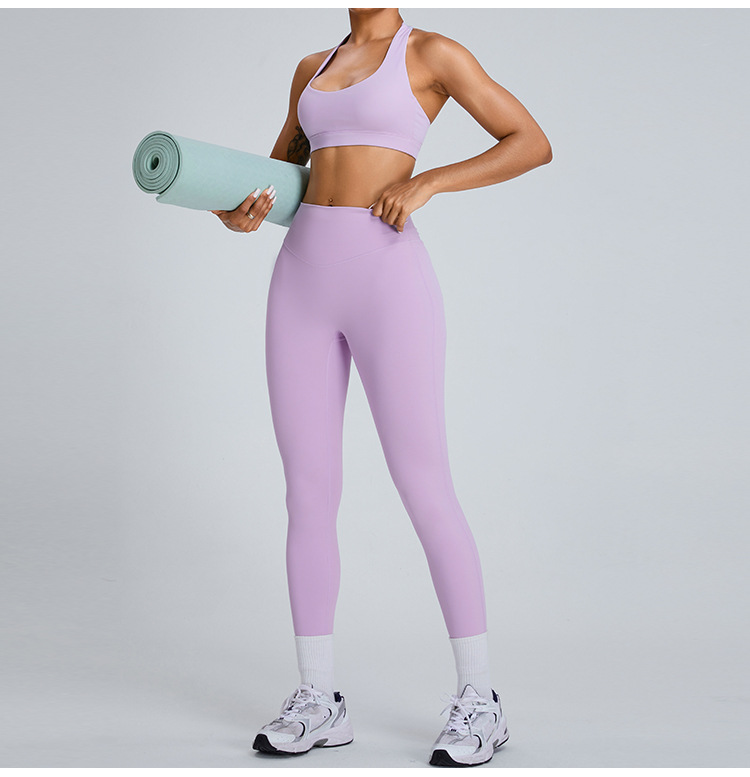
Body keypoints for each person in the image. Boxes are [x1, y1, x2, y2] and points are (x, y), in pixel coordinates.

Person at [211, 7, 552, 768]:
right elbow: (277, 178)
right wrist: (236, 209)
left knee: (424, 483)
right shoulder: (311, 69)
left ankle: (480, 698)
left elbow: (531, 141)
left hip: (387, 277)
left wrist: (429, 181)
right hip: (301, 279)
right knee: (307, 491)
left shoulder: (430, 52)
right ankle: (319, 698)